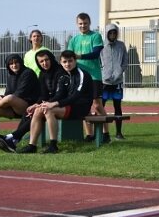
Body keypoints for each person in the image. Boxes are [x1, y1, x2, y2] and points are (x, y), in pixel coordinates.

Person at [18, 50, 94, 154]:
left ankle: (53, 145)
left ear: (75, 61)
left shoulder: (82, 74)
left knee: (49, 110)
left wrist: (54, 104)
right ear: (61, 62)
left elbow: (75, 97)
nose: (67, 64)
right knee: (39, 110)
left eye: (70, 61)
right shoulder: (64, 76)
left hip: (80, 108)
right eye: (65, 62)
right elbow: (58, 95)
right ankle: (32, 145)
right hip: (68, 106)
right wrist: (39, 104)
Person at [0, 50, 64, 153]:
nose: (44, 63)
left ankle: (13, 137)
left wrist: (42, 104)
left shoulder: (60, 72)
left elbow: (60, 94)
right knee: (29, 111)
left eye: (46, 60)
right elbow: (43, 94)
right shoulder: (42, 74)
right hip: (49, 103)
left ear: (51, 59)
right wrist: (36, 104)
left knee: (38, 110)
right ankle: (18, 141)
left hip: (61, 104)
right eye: (41, 61)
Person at [68, 12, 109, 143]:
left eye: (85, 23)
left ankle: (106, 133)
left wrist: (80, 56)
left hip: (94, 76)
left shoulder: (96, 36)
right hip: (79, 77)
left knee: (97, 105)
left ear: (89, 23)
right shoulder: (73, 40)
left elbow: (96, 54)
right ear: (77, 24)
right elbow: (69, 56)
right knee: (83, 106)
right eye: (80, 23)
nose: (83, 26)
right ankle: (90, 135)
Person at [0, 54, 40, 150]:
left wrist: (0, 100)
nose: (14, 65)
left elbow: (20, 93)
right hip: (15, 108)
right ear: (8, 66)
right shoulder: (11, 76)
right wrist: (0, 97)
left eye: (16, 62)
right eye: (11, 64)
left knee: (10, 98)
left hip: (28, 107)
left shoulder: (28, 73)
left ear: (20, 62)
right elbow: (7, 93)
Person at [100, 23, 128, 140]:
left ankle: (118, 132)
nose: (112, 35)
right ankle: (102, 132)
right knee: (101, 106)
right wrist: (103, 74)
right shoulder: (101, 46)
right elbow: (98, 62)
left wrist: (118, 73)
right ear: (106, 34)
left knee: (118, 106)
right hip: (104, 82)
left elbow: (125, 62)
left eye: (114, 32)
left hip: (117, 82)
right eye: (110, 33)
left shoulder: (121, 46)